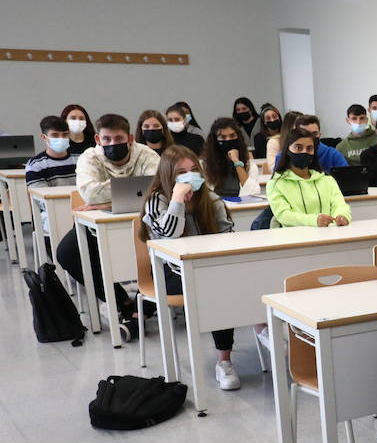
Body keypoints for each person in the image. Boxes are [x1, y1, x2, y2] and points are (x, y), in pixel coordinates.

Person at [140, 146, 240, 390]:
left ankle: (233, 352)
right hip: (168, 272)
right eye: (181, 172)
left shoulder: (210, 199)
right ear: (168, 176)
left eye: (194, 170)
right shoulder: (157, 201)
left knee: (229, 280)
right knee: (216, 285)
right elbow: (171, 234)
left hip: (206, 269)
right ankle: (227, 359)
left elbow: (229, 238)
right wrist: (177, 200)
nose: (190, 176)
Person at [54, 114, 161, 338]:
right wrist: (131, 193)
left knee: (163, 251)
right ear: (97, 139)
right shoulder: (89, 157)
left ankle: (146, 306)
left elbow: (157, 190)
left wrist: (105, 202)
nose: (113, 144)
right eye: (107, 139)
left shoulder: (146, 155)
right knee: (66, 253)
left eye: (119, 138)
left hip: (146, 221)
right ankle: (121, 301)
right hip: (100, 223)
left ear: (130, 138)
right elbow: (90, 194)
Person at [268, 127, 352, 228]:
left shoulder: (327, 180)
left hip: (328, 233)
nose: (304, 152)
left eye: (309, 148)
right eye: (298, 148)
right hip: (294, 236)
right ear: (287, 151)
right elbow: (283, 215)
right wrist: (314, 220)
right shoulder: (276, 183)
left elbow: (339, 204)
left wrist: (342, 215)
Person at [24, 115, 78, 256]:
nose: (61, 138)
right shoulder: (35, 165)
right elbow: (41, 200)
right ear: (44, 137)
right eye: (55, 135)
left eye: (65, 135)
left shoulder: (80, 159)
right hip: (52, 213)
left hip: (80, 209)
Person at [202, 117, 259, 197]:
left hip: (241, 204)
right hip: (217, 203)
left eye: (232, 136)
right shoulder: (206, 165)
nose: (228, 140)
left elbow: (253, 192)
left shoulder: (250, 166)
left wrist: (236, 161)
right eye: (223, 137)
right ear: (215, 140)